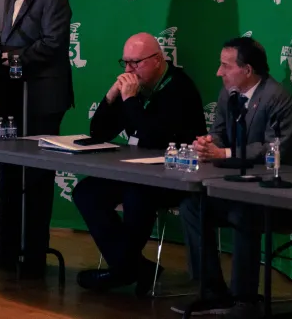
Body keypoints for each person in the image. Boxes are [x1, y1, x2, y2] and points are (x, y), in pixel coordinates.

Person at [173, 37, 292, 316]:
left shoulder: (277, 97)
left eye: (226, 66)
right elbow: (219, 132)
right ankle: (213, 293)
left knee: (243, 212)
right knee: (192, 207)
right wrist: (208, 143)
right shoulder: (229, 93)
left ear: (247, 70)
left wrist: (223, 153)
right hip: (242, 188)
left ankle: (244, 301)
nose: (218, 72)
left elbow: (274, 148)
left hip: (283, 195)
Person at [73, 33, 206, 294]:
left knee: (137, 196)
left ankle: (122, 270)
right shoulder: (135, 87)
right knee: (87, 193)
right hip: (135, 172)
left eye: (136, 63)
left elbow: (153, 137)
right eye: (125, 63)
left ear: (157, 60)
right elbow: (99, 132)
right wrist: (111, 96)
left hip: (175, 174)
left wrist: (131, 100)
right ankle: (134, 267)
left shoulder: (179, 89)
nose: (128, 70)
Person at [0, 0, 74, 277]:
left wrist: (9, 56)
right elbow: (13, 40)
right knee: (8, 172)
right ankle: (7, 250)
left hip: (43, 98)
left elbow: (53, 43)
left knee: (36, 178)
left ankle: (34, 255)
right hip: (14, 95)